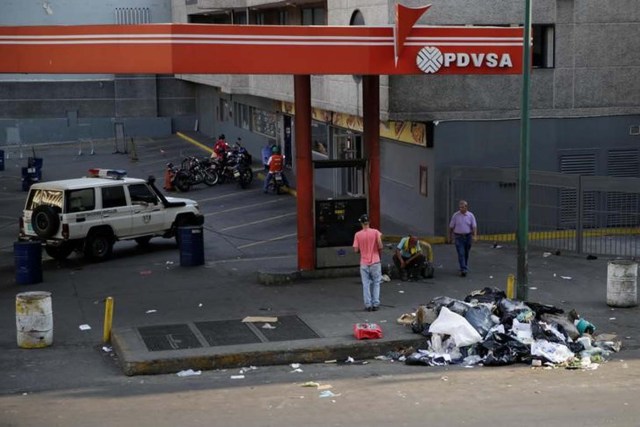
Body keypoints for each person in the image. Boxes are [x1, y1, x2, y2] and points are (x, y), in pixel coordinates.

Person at [353, 214, 383, 312]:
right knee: (376, 283)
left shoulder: (357, 235)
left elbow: (356, 250)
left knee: (366, 284)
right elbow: (380, 245)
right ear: (369, 222)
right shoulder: (376, 232)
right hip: (375, 261)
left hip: (364, 263)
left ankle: (368, 305)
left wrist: (361, 250)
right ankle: (375, 304)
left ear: (361, 223)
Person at [449, 200, 478, 277]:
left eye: (462, 207)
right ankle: (463, 269)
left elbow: (474, 226)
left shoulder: (470, 216)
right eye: (460, 207)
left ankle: (464, 265)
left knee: (466, 253)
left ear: (466, 207)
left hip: (468, 236)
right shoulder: (455, 216)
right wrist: (450, 236)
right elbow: (451, 227)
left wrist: (474, 236)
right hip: (458, 237)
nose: (461, 209)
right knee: (461, 253)